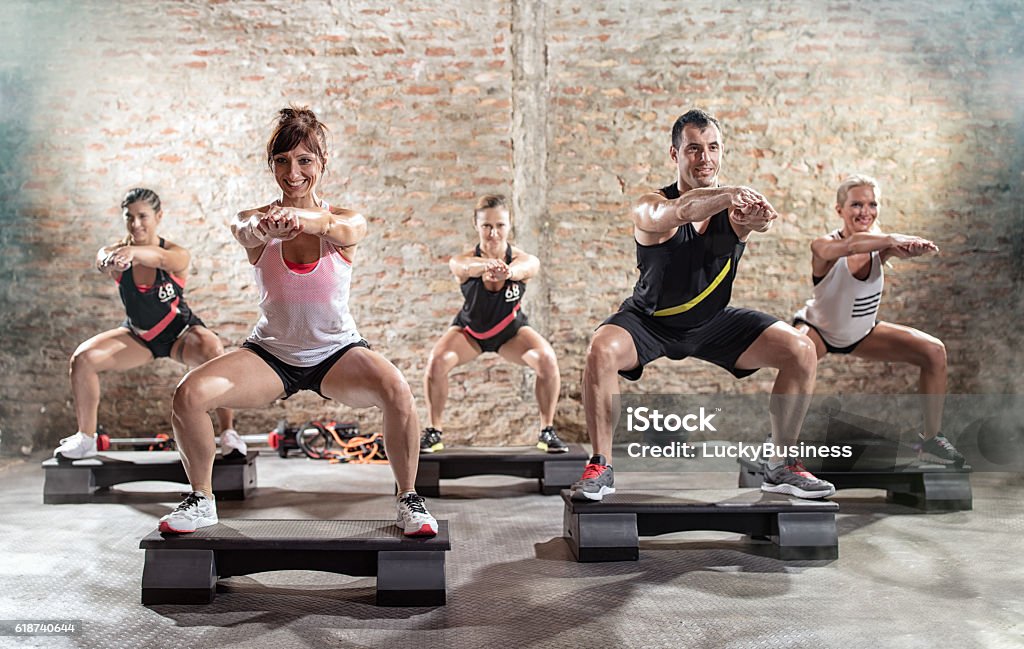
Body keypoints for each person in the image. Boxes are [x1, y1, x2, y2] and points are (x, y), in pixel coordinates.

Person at [160, 106, 437, 536]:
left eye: (305, 160)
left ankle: (409, 499)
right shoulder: (259, 220)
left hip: (336, 352)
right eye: (283, 161)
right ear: (272, 165)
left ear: (321, 165)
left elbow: (336, 227)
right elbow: (244, 227)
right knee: (189, 394)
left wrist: (300, 219)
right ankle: (201, 499)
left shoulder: (345, 219)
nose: (293, 172)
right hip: (270, 355)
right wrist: (266, 227)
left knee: (397, 391)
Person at [572, 108, 836, 501]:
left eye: (713, 148)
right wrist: (728, 195)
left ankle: (781, 465)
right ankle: (600, 466)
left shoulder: (730, 208)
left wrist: (758, 218)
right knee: (601, 350)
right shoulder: (650, 205)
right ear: (675, 155)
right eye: (693, 149)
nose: (705, 158)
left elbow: (751, 224)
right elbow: (681, 211)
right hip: (650, 321)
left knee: (801, 349)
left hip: (714, 323)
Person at [53, 188, 244, 461]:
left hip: (180, 334)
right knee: (83, 359)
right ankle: (86, 438)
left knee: (213, 348)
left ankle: (228, 433)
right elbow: (102, 258)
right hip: (139, 336)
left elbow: (163, 260)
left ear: (158, 217)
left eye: (143, 216)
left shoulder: (175, 253)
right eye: (129, 217)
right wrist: (109, 260)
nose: (136, 224)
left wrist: (132, 253)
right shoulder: (117, 253)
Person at [794, 174, 964, 466]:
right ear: (839, 210)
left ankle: (932, 438)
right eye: (856, 204)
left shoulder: (880, 246)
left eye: (872, 204)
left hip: (862, 333)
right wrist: (891, 239)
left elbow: (887, 248)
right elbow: (849, 248)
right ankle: (781, 443)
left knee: (934, 352)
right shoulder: (823, 245)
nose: (865, 211)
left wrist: (910, 248)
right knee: (796, 358)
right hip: (819, 331)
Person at [420, 195, 567, 454]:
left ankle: (547, 430)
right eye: (487, 226)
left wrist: (507, 272)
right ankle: (434, 431)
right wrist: (487, 265)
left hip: (509, 333)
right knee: (437, 362)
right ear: (476, 225)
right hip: (470, 333)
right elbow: (463, 266)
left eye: (500, 225)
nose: (493, 233)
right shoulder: (463, 260)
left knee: (547, 360)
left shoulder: (521, 259)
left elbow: (528, 267)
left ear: (509, 226)